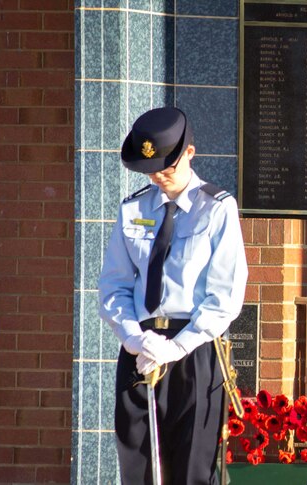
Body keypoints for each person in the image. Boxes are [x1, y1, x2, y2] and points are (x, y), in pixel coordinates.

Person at [98, 107, 248, 484]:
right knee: (139, 464)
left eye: (168, 168)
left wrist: (176, 348)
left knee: (190, 468)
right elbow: (114, 285)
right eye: (151, 171)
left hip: (193, 351)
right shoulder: (133, 209)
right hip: (140, 347)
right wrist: (134, 337)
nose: (159, 177)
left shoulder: (216, 209)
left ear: (190, 154)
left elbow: (224, 296)